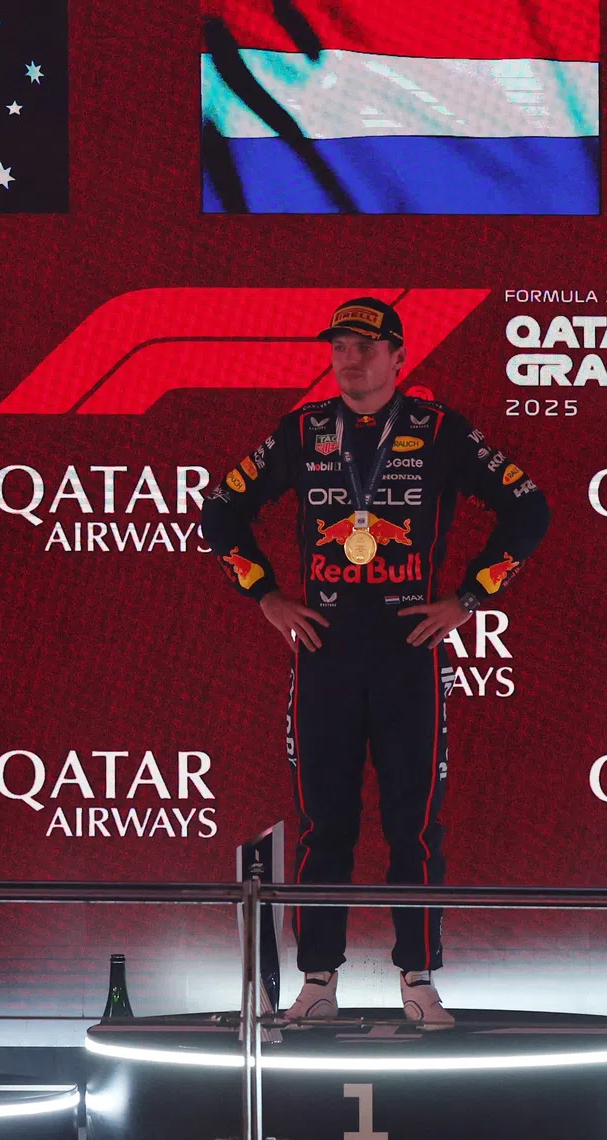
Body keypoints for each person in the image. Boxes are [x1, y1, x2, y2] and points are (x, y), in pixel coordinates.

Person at [201, 297, 549, 1028]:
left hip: (408, 650)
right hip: (325, 650)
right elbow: (221, 510)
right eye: (339, 345)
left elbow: (528, 507)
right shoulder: (302, 431)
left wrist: (468, 596)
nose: (348, 357)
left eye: (364, 345)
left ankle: (418, 978)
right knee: (325, 825)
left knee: (413, 827)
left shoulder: (439, 429)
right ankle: (318, 981)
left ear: (398, 356)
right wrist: (265, 594)